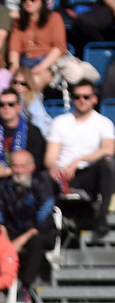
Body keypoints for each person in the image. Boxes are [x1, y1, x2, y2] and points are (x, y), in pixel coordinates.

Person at [45, 80, 115, 238]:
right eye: (77, 97)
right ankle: (47, 226)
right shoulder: (60, 122)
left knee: (108, 163)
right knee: (43, 175)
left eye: (86, 96)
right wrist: (54, 167)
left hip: (90, 174)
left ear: (94, 99)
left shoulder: (104, 123)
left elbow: (108, 149)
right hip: (63, 175)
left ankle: (102, 216)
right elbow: (50, 157)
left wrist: (78, 161)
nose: (82, 100)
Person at [0, 149, 57, 303]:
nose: (19, 170)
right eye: (15, 166)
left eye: (22, 166)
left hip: (38, 231)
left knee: (37, 241)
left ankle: (26, 288)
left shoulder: (42, 185)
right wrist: (4, 236)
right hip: (12, 230)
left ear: (31, 167)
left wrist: (22, 239)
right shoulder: (2, 187)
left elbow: (43, 219)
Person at [7, 0, 65, 91]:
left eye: (33, 0)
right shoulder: (18, 22)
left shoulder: (54, 17)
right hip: (25, 62)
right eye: (25, 0)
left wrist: (42, 66)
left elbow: (59, 47)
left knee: (34, 81)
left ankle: (32, 104)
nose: (29, 2)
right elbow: (14, 48)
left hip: (47, 62)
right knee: (9, 80)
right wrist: (14, 66)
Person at [12, 66, 52, 136]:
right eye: (15, 82)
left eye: (23, 84)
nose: (18, 86)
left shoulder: (32, 99)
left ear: (29, 84)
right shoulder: (14, 97)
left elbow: (39, 121)